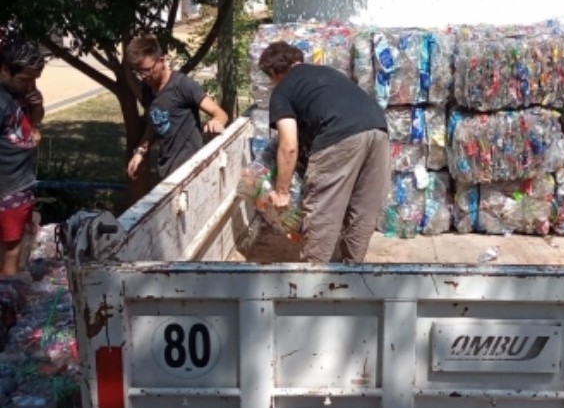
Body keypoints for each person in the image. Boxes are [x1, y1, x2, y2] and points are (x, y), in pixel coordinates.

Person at [258, 41, 390, 264]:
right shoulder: (328, 73)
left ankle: (311, 285)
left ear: (273, 72)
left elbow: (288, 144)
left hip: (339, 135)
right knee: (362, 212)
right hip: (378, 130)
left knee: (323, 214)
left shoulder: (283, 89)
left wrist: (282, 192)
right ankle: (352, 274)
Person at [125, 35, 228, 181]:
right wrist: (140, 152)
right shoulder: (147, 90)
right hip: (166, 172)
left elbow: (220, 114)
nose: (143, 76)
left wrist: (216, 122)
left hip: (191, 171)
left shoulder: (183, 85)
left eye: (147, 70)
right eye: (138, 72)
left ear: (161, 61)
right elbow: (154, 123)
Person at [0, 39, 45, 276]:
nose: (30, 85)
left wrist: (37, 111)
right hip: (7, 190)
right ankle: (5, 305)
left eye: (34, 79)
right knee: (11, 251)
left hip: (21, 185)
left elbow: (33, 119)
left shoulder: (21, 93)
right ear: (5, 70)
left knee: (16, 250)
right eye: (25, 79)